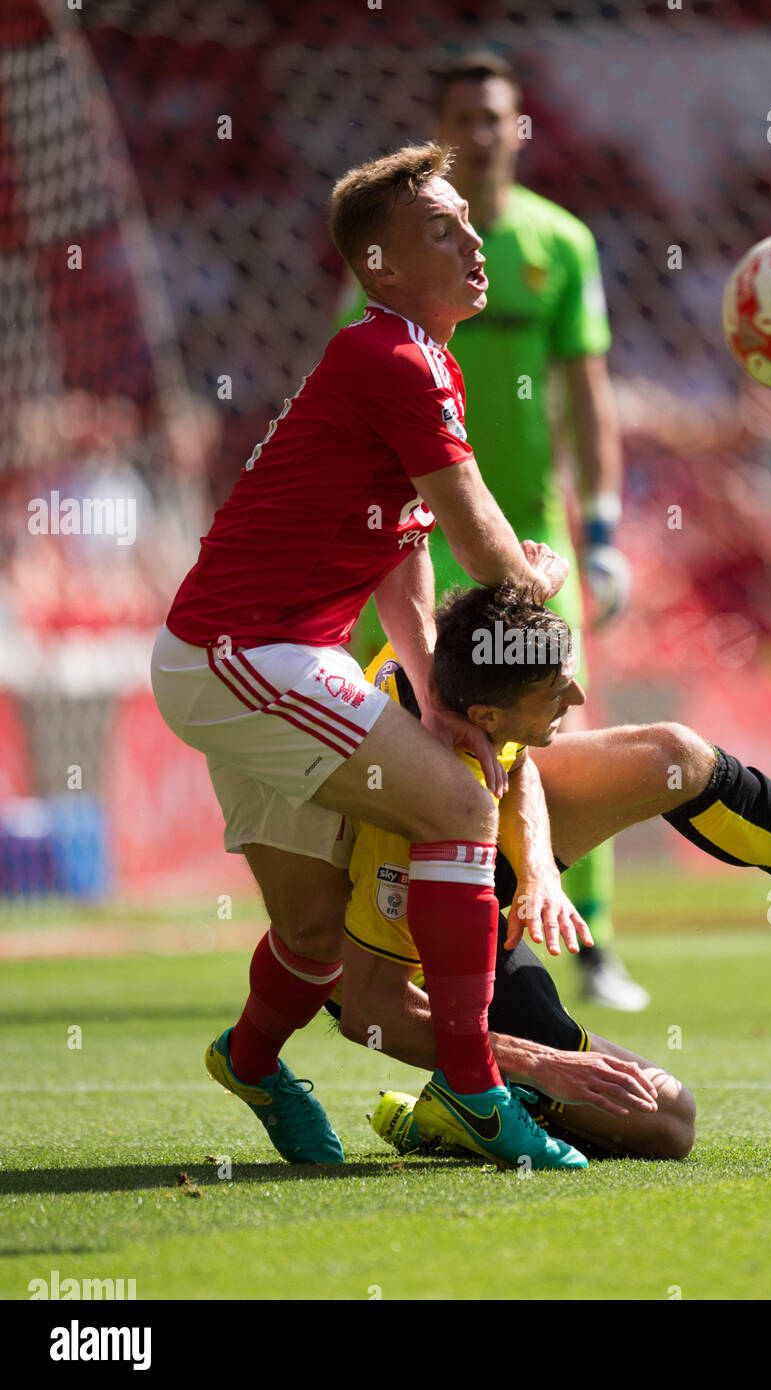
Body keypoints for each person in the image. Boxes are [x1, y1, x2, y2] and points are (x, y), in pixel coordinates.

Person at [150, 143, 602, 1173]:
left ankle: (253, 1060)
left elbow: (401, 558)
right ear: (380, 267)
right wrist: (542, 574)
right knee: (459, 805)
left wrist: (441, 696)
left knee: (311, 936)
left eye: (469, 223)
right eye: (442, 229)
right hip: (242, 653)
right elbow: (484, 545)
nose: (475, 238)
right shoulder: (390, 358)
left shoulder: (411, 360)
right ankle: (478, 1094)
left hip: (260, 659)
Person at [324, 581, 771, 1161]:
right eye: (556, 691)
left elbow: (511, 759)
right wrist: (541, 1065)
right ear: (484, 719)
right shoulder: (407, 818)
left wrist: (541, 876)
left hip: (473, 859)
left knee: (674, 757)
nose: (577, 696)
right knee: (668, 1121)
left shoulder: (454, 659)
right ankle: (464, 1106)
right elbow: (369, 1005)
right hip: (411, 948)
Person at [335, 53, 646, 1011]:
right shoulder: (402, 260)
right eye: (462, 114)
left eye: (495, 114)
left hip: (531, 533)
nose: (481, 131)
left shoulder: (562, 243)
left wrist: (600, 526)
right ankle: (370, 929)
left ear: (519, 127)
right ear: (439, 127)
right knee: (402, 716)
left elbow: (588, 397)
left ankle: (577, 939)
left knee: (548, 723)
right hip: (423, 534)